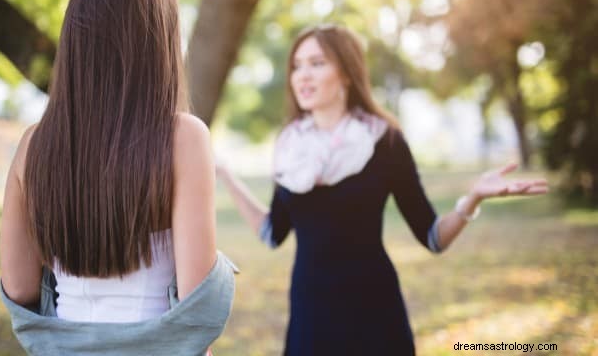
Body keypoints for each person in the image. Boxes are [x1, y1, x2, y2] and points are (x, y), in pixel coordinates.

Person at [216, 24, 548, 355]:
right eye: (297, 66)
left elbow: (433, 236)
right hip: (310, 318)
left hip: (375, 316)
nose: (303, 75)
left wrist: (472, 198)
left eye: (317, 63)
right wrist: (225, 175)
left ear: (346, 72)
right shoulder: (290, 146)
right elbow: (273, 232)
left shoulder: (384, 141)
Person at [0, 0, 234, 355]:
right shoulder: (184, 137)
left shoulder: (33, 145)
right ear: (158, 45)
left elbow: (20, 286)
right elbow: (197, 300)